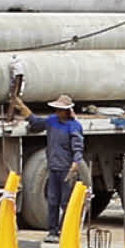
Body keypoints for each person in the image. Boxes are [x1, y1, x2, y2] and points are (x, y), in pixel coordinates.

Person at [40, 95, 87, 233]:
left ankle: (64, 230)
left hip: (66, 169)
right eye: (56, 109)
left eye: (60, 110)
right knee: (52, 201)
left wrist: (76, 162)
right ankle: (52, 230)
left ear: (67, 111)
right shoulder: (52, 121)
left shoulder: (74, 126)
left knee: (65, 202)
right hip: (53, 167)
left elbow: (78, 147)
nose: (57, 112)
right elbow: (36, 122)